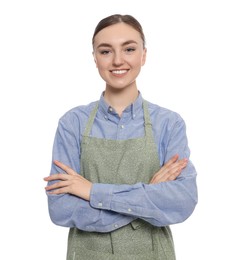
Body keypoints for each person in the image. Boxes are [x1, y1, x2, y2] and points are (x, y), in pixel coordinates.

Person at [44, 14, 198, 260]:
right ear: (94, 58)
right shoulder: (72, 124)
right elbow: (60, 208)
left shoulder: (169, 124)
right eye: (105, 51)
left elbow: (182, 202)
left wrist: (92, 191)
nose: (118, 60)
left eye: (129, 49)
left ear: (143, 55)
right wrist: (147, 197)